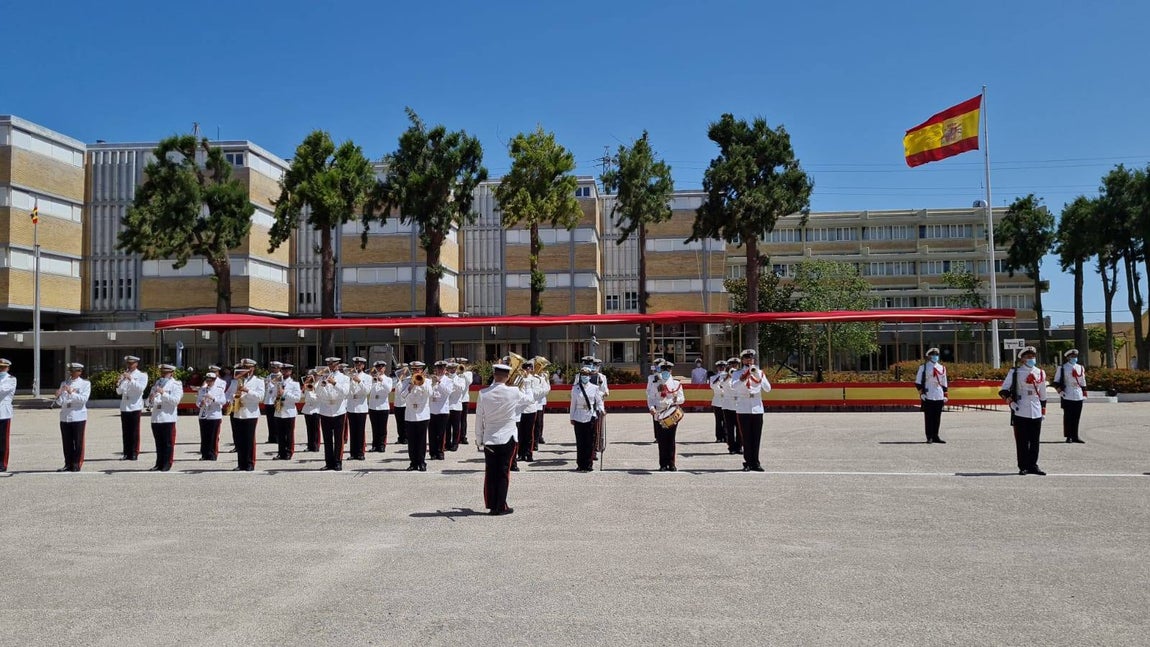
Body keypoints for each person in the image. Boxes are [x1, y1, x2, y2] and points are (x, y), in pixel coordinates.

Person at [475, 362, 534, 515]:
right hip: (508, 437)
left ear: (494, 375)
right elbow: (530, 399)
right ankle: (501, 505)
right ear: (508, 377)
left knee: (490, 472)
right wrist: (526, 383)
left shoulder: (483, 393)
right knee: (503, 472)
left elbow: (479, 418)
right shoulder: (514, 391)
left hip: (490, 437)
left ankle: (491, 504)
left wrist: (479, 438)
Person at [999, 346, 1048, 476]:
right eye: (1028, 357)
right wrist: (1011, 402)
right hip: (1021, 407)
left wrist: (1043, 410)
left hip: (1036, 408)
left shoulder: (1040, 372)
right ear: (1022, 359)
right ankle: (1023, 466)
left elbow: (1043, 393)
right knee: (1022, 440)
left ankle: (1033, 465)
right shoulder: (1015, 372)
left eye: (1033, 356)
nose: (1031, 359)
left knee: (1035, 440)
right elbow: (1003, 390)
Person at [731, 349, 771, 472]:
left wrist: (758, 375)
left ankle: (756, 462)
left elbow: (768, 389)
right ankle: (748, 462)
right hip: (743, 407)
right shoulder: (737, 374)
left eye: (751, 358)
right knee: (746, 437)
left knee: (756, 437)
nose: (749, 360)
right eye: (747, 358)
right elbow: (734, 387)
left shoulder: (759, 372)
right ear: (742, 360)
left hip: (757, 408)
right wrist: (744, 377)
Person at [226, 359, 265, 471]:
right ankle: (241, 463)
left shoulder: (258, 381)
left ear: (253, 368)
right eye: (244, 367)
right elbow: (228, 394)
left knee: (249, 439)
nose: (246, 369)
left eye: (248, 367)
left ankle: (249, 463)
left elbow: (260, 397)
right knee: (239, 439)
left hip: (250, 412)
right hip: (238, 412)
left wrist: (247, 390)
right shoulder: (236, 381)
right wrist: (232, 398)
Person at [315, 356, 350, 471]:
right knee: (327, 438)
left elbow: (345, 392)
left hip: (338, 410)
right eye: (329, 364)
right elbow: (318, 393)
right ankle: (328, 462)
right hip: (325, 410)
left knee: (339, 438)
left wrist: (334, 383)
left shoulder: (344, 378)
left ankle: (338, 462)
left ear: (338, 365)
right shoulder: (323, 377)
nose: (331, 366)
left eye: (333, 364)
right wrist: (321, 384)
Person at [650, 361, 686, 471]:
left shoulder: (676, 383)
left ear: (671, 370)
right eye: (664, 369)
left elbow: (682, 399)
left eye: (668, 369)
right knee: (661, 440)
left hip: (671, 412)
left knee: (671, 439)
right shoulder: (655, 383)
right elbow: (650, 398)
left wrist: (677, 399)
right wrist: (651, 407)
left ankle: (671, 463)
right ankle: (663, 464)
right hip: (659, 413)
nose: (666, 371)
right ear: (661, 370)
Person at [55, 363, 91, 472]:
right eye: (70, 371)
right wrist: (58, 395)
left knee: (78, 441)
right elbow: (60, 402)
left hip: (78, 415)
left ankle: (77, 463)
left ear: (79, 372)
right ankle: (68, 463)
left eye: (74, 371)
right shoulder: (64, 383)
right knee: (67, 442)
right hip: (65, 416)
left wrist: (71, 393)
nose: (71, 373)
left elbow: (83, 399)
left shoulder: (85, 384)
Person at [570, 366, 606, 472]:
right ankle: (580, 464)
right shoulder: (575, 388)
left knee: (590, 441)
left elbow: (599, 401)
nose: (584, 377)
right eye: (582, 375)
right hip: (578, 416)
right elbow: (573, 404)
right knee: (580, 442)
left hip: (590, 416)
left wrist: (602, 410)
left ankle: (589, 464)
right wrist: (571, 417)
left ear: (590, 376)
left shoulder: (594, 388)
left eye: (586, 375)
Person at [148, 363, 182, 471]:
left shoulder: (176, 384)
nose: (163, 374)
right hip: (156, 417)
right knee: (158, 443)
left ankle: (167, 463)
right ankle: (159, 463)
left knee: (168, 443)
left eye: (165, 373)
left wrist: (164, 393)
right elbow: (149, 403)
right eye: (162, 372)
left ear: (171, 373)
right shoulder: (157, 384)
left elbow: (175, 401)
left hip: (168, 417)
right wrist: (150, 399)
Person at [400, 361, 432, 471]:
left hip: (423, 414)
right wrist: (411, 385)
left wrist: (421, 384)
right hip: (410, 415)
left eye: (418, 369)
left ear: (422, 370)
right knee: (412, 441)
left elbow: (430, 393)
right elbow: (402, 395)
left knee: (422, 440)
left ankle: (422, 462)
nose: (416, 371)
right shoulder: (407, 381)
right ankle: (413, 462)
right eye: (414, 369)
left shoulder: (427, 381)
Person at [115, 355, 148, 460]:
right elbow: (119, 391)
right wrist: (120, 382)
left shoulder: (142, 375)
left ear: (136, 364)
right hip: (125, 406)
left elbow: (141, 389)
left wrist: (131, 379)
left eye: (131, 363)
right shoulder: (124, 375)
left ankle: (134, 452)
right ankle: (126, 452)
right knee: (126, 431)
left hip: (135, 405)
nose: (129, 365)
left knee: (134, 431)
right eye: (128, 363)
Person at [914, 347, 949, 444]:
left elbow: (944, 382)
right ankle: (929, 436)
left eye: (936, 355)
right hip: (928, 394)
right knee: (929, 417)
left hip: (938, 394)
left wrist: (945, 394)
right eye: (933, 354)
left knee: (937, 417)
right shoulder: (923, 367)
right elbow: (917, 382)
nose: (935, 356)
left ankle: (936, 435)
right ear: (929, 356)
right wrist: (921, 393)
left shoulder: (942, 368)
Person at [1054, 349, 1087, 444]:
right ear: (1068, 357)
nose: (1074, 358)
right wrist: (1060, 391)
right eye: (1072, 357)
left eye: (1075, 356)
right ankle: (1068, 436)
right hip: (1067, 393)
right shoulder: (1063, 368)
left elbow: (1082, 381)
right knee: (1068, 416)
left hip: (1078, 394)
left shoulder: (1080, 367)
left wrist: (1084, 392)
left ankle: (1075, 435)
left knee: (1076, 416)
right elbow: (1056, 381)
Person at [273, 364, 302, 460]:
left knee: (289, 433)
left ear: (290, 372)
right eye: (283, 370)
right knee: (280, 434)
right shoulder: (277, 383)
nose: (285, 372)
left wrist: (284, 393)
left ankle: (289, 451)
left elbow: (297, 399)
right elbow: (272, 395)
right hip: (279, 411)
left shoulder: (295, 384)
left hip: (289, 411)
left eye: (287, 370)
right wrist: (276, 395)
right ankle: (281, 452)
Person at [428, 360, 455, 460]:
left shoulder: (448, 381)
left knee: (441, 433)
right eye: (438, 368)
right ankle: (432, 453)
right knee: (432, 433)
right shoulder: (430, 380)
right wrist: (432, 384)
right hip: (431, 409)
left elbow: (448, 392)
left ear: (445, 370)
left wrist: (439, 382)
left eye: (442, 369)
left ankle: (440, 452)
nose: (440, 370)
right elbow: (428, 394)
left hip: (443, 410)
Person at [196, 371, 226, 460]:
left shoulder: (219, 389)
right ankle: (204, 454)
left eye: (211, 380)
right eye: (207, 380)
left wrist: (213, 399)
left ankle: (212, 454)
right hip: (203, 415)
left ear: (214, 380)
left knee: (213, 436)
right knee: (204, 436)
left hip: (214, 415)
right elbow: (197, 402)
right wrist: (200, 404)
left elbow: (223, 401)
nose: (208, 382)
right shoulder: (202, 389)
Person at [346, 357, 371, 460]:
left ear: (363, 366)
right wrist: (351, 379)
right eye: (356, 364)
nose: (357, 366)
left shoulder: (367, 377)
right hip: (351, 406)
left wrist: (359, 381)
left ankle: (360, 453)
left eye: (360, 364)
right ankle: (353, 453)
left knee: (360, 430)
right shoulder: (349, 377)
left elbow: (367, 391)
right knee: (353, 431)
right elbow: (347, 391)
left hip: (361, 407)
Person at [367, 360, 393, 452]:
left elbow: (389, 390)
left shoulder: (388, 379)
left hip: (383, 406)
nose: (379, 369)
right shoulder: (371, 379)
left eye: (381, 367)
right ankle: (375, 445)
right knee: (374, 427)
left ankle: (382, 445)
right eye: (378, 367)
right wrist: (373, 380)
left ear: (384, 369)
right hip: (373, 406)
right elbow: (368, 390)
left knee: (382, 427)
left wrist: (381, 381)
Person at [645, 359, 669, 443]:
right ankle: (658, 437)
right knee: (656, 421)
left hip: (665, 402)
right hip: (655, 401)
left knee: (666, 419)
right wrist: (651, 405)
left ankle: (666, 437)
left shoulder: (667, 377)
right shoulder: (651, 377)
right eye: (657, 365)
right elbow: (648, 390)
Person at [721, 358, 742, 455]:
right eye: (732, 364)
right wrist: (729, 376)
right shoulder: (723, 375)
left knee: (739, 428)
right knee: (729, 428)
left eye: (736, 364)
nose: (734, 366)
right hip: (728, 405)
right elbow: (722, 385)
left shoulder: (741, 375)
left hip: (738, 405)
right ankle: (731, 447)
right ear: (728, 365)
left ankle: (739, 446)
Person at [446, 360, 466, 451]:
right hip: (447, 406)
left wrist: (452, 380)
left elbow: (461, 388)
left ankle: (455, 443)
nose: (452, 370)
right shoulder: (445, 379)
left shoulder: (460, 379)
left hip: (456, 406)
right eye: (450, 368)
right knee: (447, 426)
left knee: (456, 427)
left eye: (454, 368)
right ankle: (447, 443)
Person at [262, 361, 284, 444]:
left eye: (275, 367)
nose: (273, 369)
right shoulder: (268, 376)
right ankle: (271, 437)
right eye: (272, 367)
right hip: (268, 400)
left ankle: (278, 437)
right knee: (270, 420)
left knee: (277, 420)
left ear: (279, 368)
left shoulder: (281, 377)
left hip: (276, 400)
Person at [0, 359, 15, 472]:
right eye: (0, 367)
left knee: (3, 440)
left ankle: (2, 464)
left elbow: (2, 391)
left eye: (3, 367)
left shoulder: (11, 379)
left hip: (4, 413)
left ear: (8, 368)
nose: (1, 369)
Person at [532, 362, 551, 446]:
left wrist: (539, 393)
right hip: (532, 401)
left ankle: (539, 436)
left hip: (540, 401)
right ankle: (534, 439)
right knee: (533, 421)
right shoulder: (531, 376)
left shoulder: (544, 375)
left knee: (539, 421)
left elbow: (547, 388)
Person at [456, 358, 474, 445]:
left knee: (463, 420)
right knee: (455, 420)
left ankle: (463, 437)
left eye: (463, 363)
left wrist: (463, 373)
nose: (461, 365)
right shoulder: (455, 374)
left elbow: (470, 382)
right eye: (459, 363)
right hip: (455, 400)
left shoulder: (468, 373)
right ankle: (456, 437)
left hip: (464, 399)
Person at [709, 360, 727, 443]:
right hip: (717, 401)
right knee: (718, 421)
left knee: (727, 420)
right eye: (720, 367)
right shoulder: (713, 378)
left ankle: (726, 437)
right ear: (717, 368)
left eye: (723, 367)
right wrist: (719, 378)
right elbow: (713, 386)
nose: (721, 368)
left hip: (727, 401)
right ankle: (719, 437)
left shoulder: (729, 377)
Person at [393, 363, 409, 445]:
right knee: (399, 422)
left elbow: (401, 391)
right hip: (397, 404)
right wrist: (399, 379)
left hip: (405, 404)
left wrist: (401, 378)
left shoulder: (408, 380)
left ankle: (406, 438)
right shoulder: (396, 379)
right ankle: (400, 437)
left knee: (405, 422)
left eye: (401, 370)